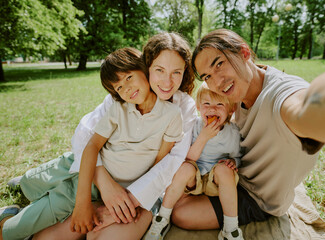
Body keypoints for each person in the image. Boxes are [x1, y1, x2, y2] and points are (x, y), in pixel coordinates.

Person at [169, 28, 325, 234]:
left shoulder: (281, 94)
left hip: (256, 197)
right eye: (207, 76)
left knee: (180, 212)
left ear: (244, 52)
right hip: (230, 173)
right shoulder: (239, 90)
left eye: (219, 64)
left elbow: (303, 107)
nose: (216, 82)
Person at [21, 32, 197, 240]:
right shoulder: (124, 97)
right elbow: (85, 135)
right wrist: (105, 185)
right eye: (159, 70)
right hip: (98, 172)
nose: (167, 82)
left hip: (139, 191)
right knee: (30, 189)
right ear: (146, 67)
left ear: (184, 71)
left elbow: (171, 162)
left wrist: (129, 200)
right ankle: (28, 184)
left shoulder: (184, 108)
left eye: (176, 72)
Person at [144, 82, 243, 240]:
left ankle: (230, 228)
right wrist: (203, 137)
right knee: (184, 168)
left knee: (225, 170)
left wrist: (233, 162)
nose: (212, 109)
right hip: (193, 181)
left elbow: (238, 157)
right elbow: (188, 158)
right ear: (198, 107)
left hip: (214, 183)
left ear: (231, 109)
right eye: (206, 104)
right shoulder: (194, 126)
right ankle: (162, 218)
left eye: (219, 104)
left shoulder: (233, 133)